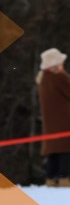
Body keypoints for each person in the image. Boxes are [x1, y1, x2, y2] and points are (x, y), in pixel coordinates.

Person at [36, 48, 70, 187]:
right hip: (64, 120)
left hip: (51, 122)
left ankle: (51, 178)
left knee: (53, 151)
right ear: (55, 65)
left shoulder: (43, 79)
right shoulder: (58, 77)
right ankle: (64, 178)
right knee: (65, 149)